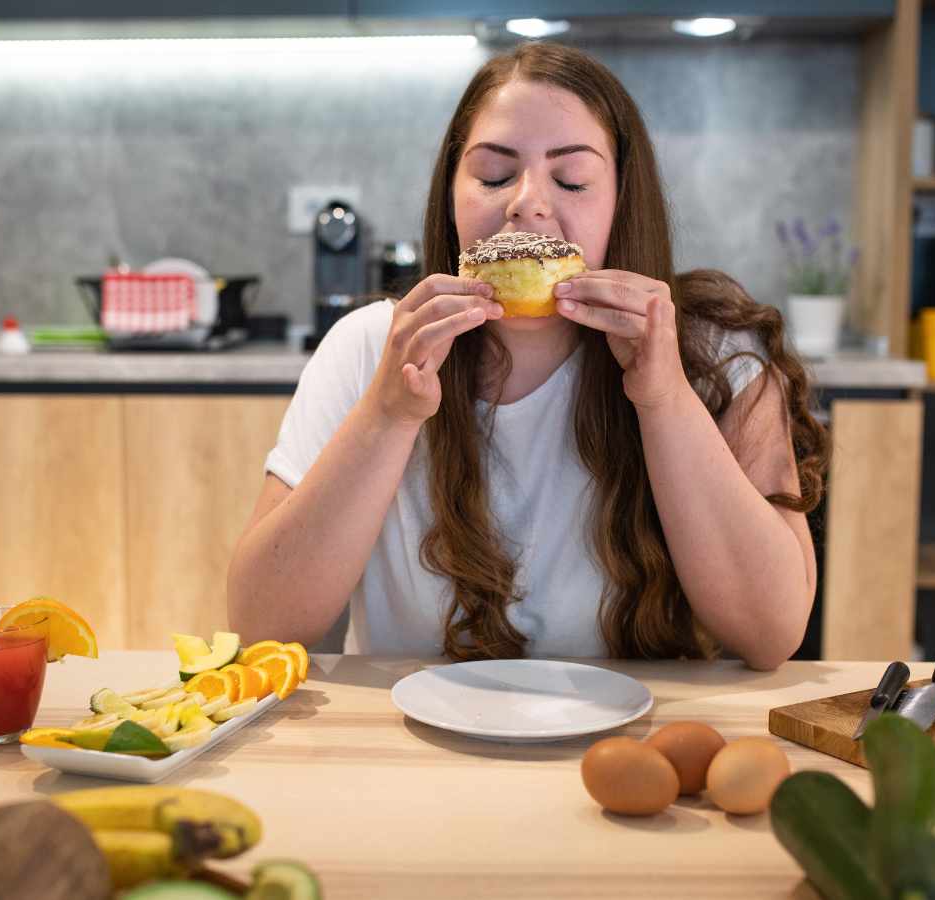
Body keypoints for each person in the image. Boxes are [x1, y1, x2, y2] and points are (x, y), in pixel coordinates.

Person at [227, 42, 828, 670]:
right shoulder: (369, 349)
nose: (528, 202)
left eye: (571, 179)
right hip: (408, 751)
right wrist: (388, 412)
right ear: (451, 196)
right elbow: (259, 627)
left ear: (622, 200)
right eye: (493, 175)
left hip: (637, 745)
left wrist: (666, 399)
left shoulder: (718, 356)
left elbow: (771, 633)